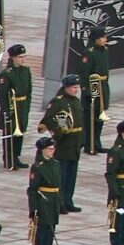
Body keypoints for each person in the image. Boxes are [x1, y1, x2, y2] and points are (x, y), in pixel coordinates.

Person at [40, 74, 85, 212]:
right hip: (64, 143)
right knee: (62, 176)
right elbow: (47, 120)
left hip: (75, 142)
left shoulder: (76, 101)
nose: (75, 90)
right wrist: (58, 131)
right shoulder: (58, 102)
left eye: (77, 87)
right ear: (65, 87)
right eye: (73, 88)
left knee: (71, 176)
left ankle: (68, 200)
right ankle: (59, 203)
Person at [28, 137, 63, 245]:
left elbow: (59, 185)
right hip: (43, 202)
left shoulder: (56, 164)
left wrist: (60, 203)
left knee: (50, 232)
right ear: (42, 150)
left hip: (53, 201)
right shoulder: (38, 167)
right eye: (49, 149)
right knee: (41, 234)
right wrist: (34, 208)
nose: (52, 151)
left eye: (53, 148)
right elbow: (32, 190)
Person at [0, 43, 33, 170]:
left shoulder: (26, 71)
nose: (22, 59)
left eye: (24, 56)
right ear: (13, 58)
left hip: (22, 105)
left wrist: (27, 106)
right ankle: (8, 157)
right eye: (20, 57)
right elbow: (2, 95)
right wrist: (7, 110)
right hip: (12, 106)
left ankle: (16, 156)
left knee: (20, 132)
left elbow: (29, 91)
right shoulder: (6, 74)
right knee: (9, 133)